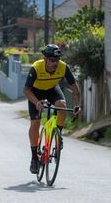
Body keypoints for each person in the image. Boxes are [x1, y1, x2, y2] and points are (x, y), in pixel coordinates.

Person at [23, 44, 81, 174]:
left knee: (62, 106)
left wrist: (77, 105)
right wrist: (37, 102)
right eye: (52, 60)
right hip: (35, 92)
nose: (55, 63)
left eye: (57, 60)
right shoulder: (36, 68)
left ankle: (58, 135)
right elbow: (26, 90)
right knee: (35, 122)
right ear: (45, 59)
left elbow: (75, 89)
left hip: (52, 89)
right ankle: (34, 158)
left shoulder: (63, 67)